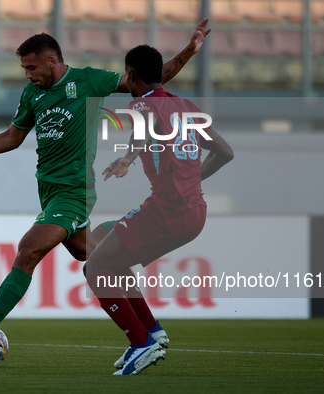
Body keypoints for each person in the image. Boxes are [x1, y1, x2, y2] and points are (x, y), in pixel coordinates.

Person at [0, 19, 212, 357]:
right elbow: (13, 137)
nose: (27, 74)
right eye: (24, 68)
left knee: (29, 249)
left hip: (75, 192)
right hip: (50, 192)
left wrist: (189, 50)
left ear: (51, 61)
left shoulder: (88, 80)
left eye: (31, 67)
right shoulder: (32, 94)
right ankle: (153, 331)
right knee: (103, 258)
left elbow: (147, 80)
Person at [84, 44, 234, 375]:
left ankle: (141, 343)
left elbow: (142, 131)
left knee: (94, 269)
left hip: (167, 210)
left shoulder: (140, 105)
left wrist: (127, 158)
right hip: (196, 213)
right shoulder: (187, 106)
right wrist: (193, 179)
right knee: (105, 246)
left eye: (126, 73)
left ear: (132, 75)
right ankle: (153, 331)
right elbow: (225, 151)